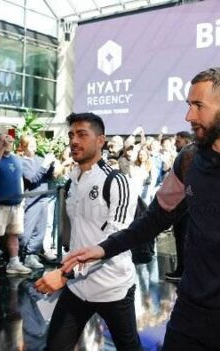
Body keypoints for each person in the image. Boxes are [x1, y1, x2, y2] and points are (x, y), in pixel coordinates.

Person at [56, 68, 220, 350]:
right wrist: (104, 248)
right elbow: (154, 219)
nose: (188, 116)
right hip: (189, 316)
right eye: (188, 105)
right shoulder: (188, 161)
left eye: (198, 106)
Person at [35, 112, 141, 350]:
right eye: (71, 134)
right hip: (76, 287)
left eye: (82, 134)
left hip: (112, 287)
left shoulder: (117, 182)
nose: (74, 141)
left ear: (101, 141)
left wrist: (64, 274)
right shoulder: (73, 180)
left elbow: (118, 240)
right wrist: (67, 271)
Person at [0, 133, 32, 284]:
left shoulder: (16, 158)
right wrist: (1, 147)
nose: (8, 143)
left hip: (16, 204)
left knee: (14, 235)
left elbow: (19, 179)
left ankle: (14, 262)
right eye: (4, 140)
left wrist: (22, 200)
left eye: (10, 141)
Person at [18, 135, 55, 269]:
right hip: (31, 199)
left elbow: (49, 176)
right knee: (25, 232)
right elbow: (32, 179)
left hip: (43, 197)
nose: (34, 146)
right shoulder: (22, 162)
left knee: (40, 230)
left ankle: (31, 255)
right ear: (23, 146)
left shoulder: (40, 159)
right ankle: (17, 255)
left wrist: (51, 164)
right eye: (30, 144)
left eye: (34, 143)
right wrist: (45, 165)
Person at [164, 131, 193, 282]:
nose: (175, 143)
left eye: (178, 141)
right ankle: (182, 269)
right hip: (180, 207)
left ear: (187, 141)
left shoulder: (189, 159)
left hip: (185, 208)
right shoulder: (183, 158)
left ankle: (183, 270)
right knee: (181, 239)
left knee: (184, 240)